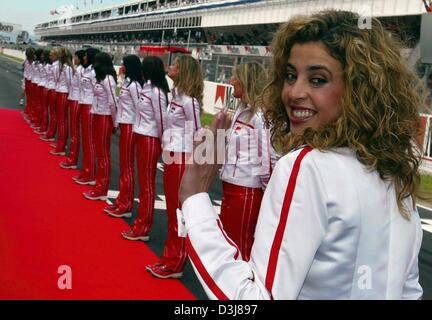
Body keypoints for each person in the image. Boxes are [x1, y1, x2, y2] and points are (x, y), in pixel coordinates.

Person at [178, 10, 424, 299]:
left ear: (359, 89)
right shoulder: (396, 176)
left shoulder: (306, 168)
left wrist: (194, 200)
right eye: (291, 76)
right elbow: (409, 292)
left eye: (317, 79)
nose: (294, 92)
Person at [146, 55, 203, 279]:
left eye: (176, 65)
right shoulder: (175, 96)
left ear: (184, 71)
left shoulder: (190, 101)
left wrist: (197, 168)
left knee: (178, 213)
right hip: (171, 156)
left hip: (182, 158)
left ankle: (176, 262)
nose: (171, 67)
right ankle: (170, 257)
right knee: (172, 212)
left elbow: (199, 135)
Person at [218, 62, 275, 261]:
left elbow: (267, 160)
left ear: (246, 81)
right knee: (227, 245)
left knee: (240, 248)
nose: (231, 81)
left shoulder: (261, 116)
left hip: (246, 191)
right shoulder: (242, 111)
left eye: (235, 77)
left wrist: (267, 196)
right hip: (230, 186)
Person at [121, 56, 169, 239]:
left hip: (150, 138)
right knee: (144, 184)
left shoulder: (156, 92)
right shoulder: (147, 88)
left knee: (147, 185)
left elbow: (161, 119)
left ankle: (143, 227)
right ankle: (141, 223)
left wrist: (163, 142)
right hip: (141, 135)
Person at [105, 55, 143, 217]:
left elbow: (139, 107)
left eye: (124, 64)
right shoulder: (127, 83)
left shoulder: (135, 86)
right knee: (123, 166)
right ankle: (122, 200)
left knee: (127, 167)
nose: (122, 66)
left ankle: (126, 204)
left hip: (130, 127)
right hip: (124, 124)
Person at [83, 52, 118, 201]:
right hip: (97, 115)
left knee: (103, 154)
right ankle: (98, 185)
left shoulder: (109, 79)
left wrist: (115, 122)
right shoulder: (100, 78)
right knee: (99, 152)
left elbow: (113, 102)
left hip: (104, 117)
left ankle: (102, 189)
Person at [73, 47, 100, 186]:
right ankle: (86, 171)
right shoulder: (88, 70)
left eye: (85, 56)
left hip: (89, 106)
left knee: (89, 142)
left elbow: (97, 92)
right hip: (84, 104)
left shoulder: (94, 72)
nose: (83, 58)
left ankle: (90, 173)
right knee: (86, 141)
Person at [60, 49, 85, 169]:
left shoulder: (79, 71)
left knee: (75, 132)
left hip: (76, 99)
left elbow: (77, 86)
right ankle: (72, 157)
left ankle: (73, 159)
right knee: (73, 131)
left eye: (76, 57)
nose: (74, 59)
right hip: (74, 98)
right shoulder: (78, 70)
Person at [50, 48, 72, 156]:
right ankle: (61, 142)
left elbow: (69, 83)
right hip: (60, 91)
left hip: (64, 93)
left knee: (62, 121)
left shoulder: (67, 68)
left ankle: (62, 145)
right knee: (61, 120)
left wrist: (69, 95)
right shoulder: (62, 66)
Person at [40, 48, 60, 142]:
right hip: (49, 87)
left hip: (53, 89)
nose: (49, 57)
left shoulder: (56, 66)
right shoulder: (52, 65)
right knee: (48, 110)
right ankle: (48, 130)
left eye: (51, 55)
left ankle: (51, 133)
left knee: (53, 113)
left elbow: (57, 80)